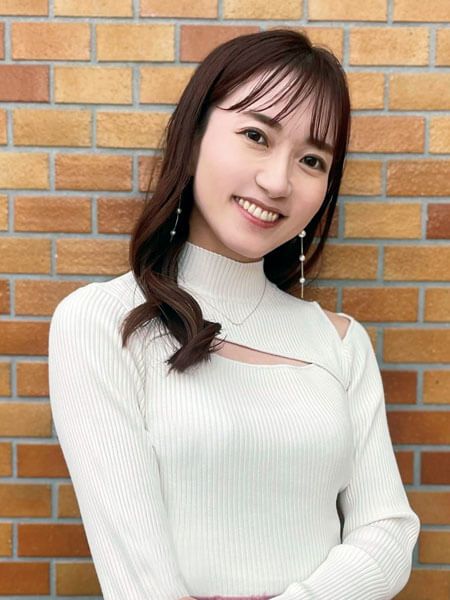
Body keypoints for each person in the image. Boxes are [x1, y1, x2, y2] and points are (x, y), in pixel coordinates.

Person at [48, 29, 420, 600]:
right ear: (194, 135)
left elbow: (388, 531)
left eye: (312, 160)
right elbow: (136, 572)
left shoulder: (341, 343)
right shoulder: (103, 322)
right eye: (255, 135)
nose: (277, 182)